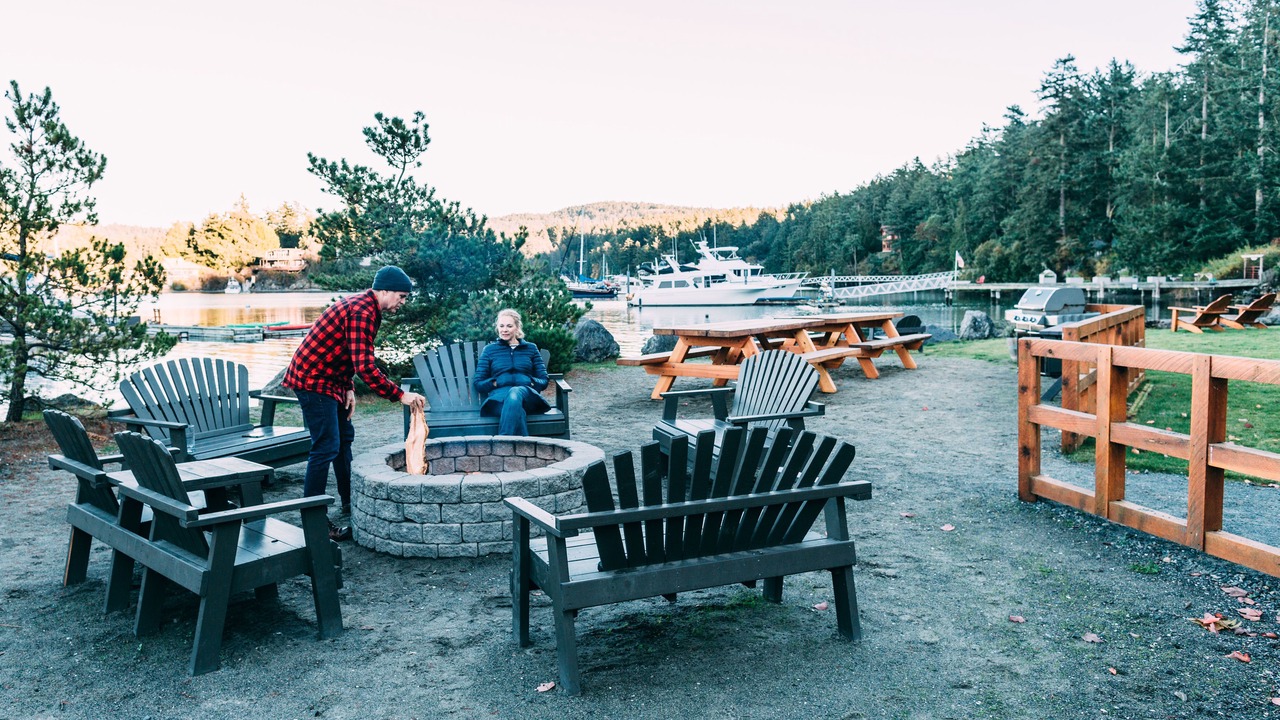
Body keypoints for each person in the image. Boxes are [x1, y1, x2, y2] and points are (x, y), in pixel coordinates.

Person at [283, 265, 426, 541]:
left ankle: (350, 501)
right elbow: (365, 367)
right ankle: (313, 520)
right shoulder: (363, 311)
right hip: (313, 381)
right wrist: (399, 395)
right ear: (385, 291)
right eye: (401, 296)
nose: (403, 303)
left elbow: (346, 353)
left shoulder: (367, 307)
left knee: (343, 440)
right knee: (325, 446)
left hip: (332, 381)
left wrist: (347, 386)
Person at [472, 308, 551, 436]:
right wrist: (496, 382)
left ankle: (503, 441)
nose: (504, 330)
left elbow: (543, 380)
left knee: (515, 392)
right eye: (501, 326)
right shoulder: (489, 350)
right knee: (518, 412)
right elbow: (478, 383)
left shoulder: (531, 348)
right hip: (498, 399)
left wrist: (529, 381)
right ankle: (522, 445)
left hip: (526, 396)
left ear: (517, 327)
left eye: (509, 326)